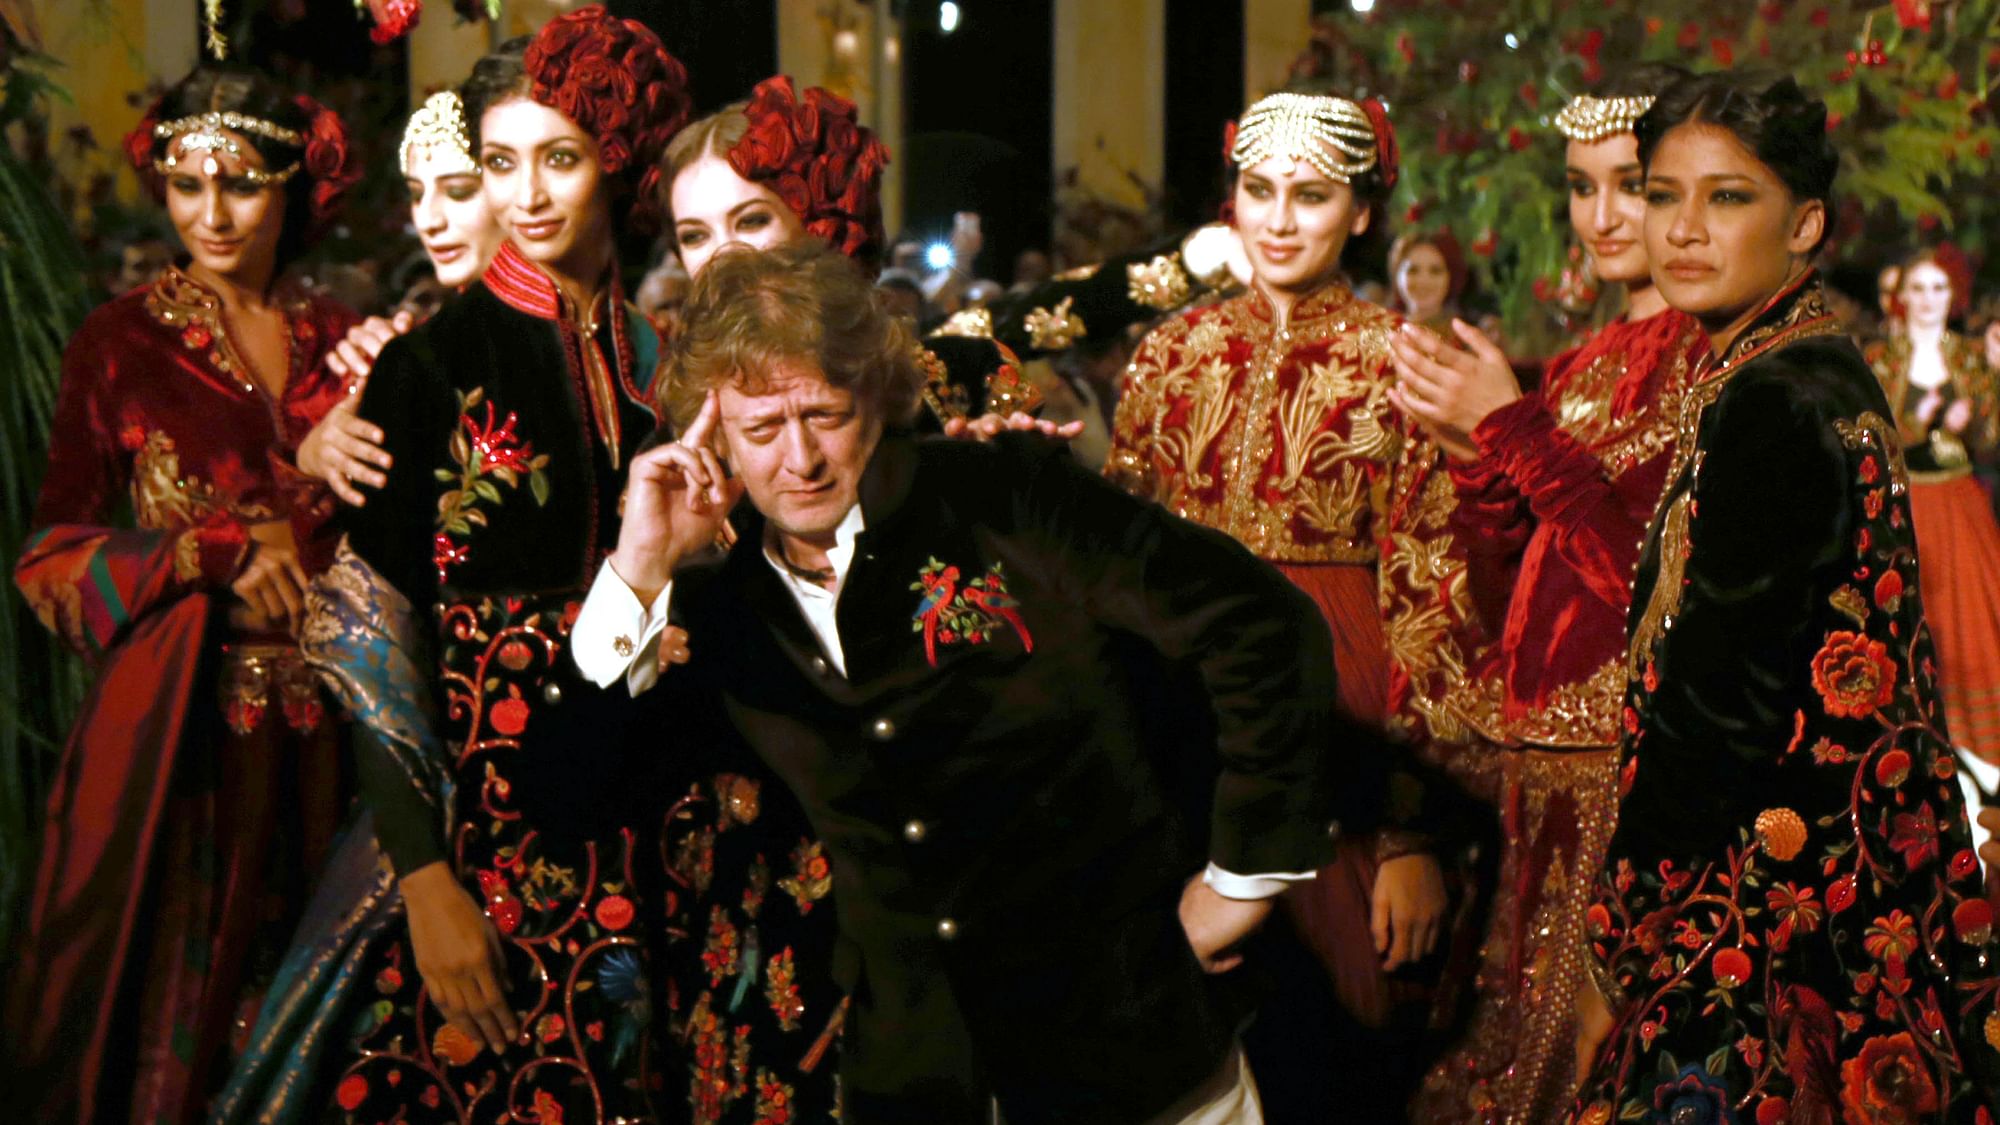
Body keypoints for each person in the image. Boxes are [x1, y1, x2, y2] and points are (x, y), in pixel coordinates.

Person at [523, 237, 1381, 1124]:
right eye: (762, 430)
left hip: (1141, 1058)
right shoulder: (725, 610)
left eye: (823, 413)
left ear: (878, 396)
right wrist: (636, 568)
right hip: (920, 1078)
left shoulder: (1004, 497)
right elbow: (568, 799)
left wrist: (1241, 878)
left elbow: (1257, 621)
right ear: (715, 436)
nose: (800, 460)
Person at [215, 10, 692, 1122]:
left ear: (617, 164)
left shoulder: (667, 363)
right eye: (499, 164)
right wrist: (427, 883)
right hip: (483, 827)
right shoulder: (428, 367)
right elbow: (370, 637)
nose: (525, 195)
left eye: (558, 160)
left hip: (659, 833)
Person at [1568, 71, 2000, 1121]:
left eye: (1726, 199)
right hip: (1810, 881)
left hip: (1762, 905)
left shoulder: (1776, 398)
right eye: (1660, 194)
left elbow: (1720, 696)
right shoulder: (1781, 367)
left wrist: (1621, 921)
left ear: (1803, 223)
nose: (1679, 229)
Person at [4, 65, 360, 1124]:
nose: (210, 214)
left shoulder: (342, 339)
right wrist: (201, 555)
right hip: (189, 748)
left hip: (339, 738)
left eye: (242, 185)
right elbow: (49, 562)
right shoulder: (120, 344)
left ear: (293, 187)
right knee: (179, 1029)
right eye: (186, 184)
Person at [1106, 85, 1463, 1122]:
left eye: (1307, 196)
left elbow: (1434, 605)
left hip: (1341, 727)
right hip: (1182, 721)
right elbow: (1117, 569)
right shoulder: (1167, 355)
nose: (1273, 219)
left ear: (1360, 211)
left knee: (1334, 1043)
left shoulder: (1403, 364)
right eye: (1255, 191)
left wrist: (1410, 835)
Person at [1387, 65, 1708, 1123]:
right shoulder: (1580, 364)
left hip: (1630, 778)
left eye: (1633, 187)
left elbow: (1645, 590)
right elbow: (1506, 585)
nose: (1600, 218)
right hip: (1530, 782)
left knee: (1595, 1078)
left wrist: (1511, 432)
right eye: (1580, 187)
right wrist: (1479, 460)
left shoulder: (1715, 365)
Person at [294, 89, 506, 508]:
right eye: (416, 193)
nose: (428, 220)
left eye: (459, 191)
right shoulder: (403, 345)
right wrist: (314, 454)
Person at [1865, 249, 2000, 766]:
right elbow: (1871, 438)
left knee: (1972, 620)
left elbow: (1991, 441)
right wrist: (1920, 420)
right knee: (1913, 622)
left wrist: (1976, 421)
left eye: (1938, 289)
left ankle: (1979, 754)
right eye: (1918, 289)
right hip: (1908, 504)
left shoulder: (1967, 356)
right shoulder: (1881, 359)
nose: (1928, 300)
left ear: (1954, 295)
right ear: (1902, 299)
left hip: (1961, 503)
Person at [1388, 229, 1466, 331]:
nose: (1423, 281)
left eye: (1435, 271)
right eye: (1413, 270)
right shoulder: (1379, 333)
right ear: (1397, 275)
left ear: (1452, 277)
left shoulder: (1466, 338)